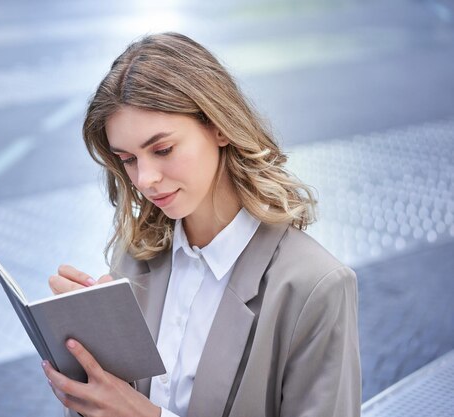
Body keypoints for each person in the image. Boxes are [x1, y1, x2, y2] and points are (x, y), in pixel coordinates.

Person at [43, 32, 361, 417]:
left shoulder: (314, 287)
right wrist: (89, 362)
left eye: (163, 150)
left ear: (219, 126)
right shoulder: (137, 258)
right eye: (128, 159)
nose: (145, 179)